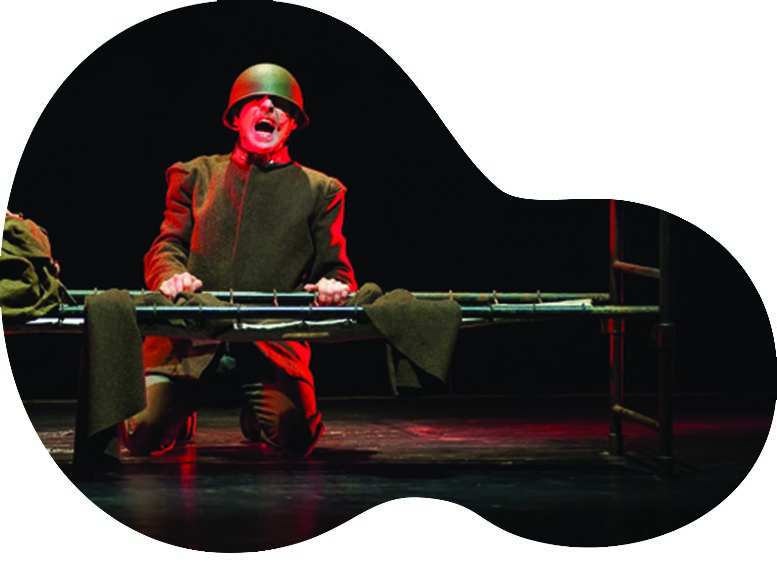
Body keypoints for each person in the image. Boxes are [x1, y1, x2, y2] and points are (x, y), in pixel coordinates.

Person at [120, 63, 357, 458]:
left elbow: (336, 268)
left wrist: (335, 284)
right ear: (236, 117)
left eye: (280, 104)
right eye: (256, 101)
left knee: (295, 437)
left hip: (270, 345)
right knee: (141, 434)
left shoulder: (321, 190)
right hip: (188, 342)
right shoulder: (195, 175)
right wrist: (171, 275)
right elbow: (167, 246)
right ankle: (181, 413)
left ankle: (256, 415)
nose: (268, 107)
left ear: (292, 123)